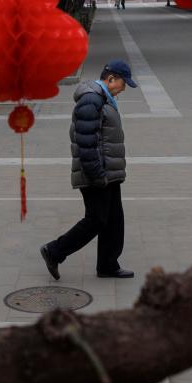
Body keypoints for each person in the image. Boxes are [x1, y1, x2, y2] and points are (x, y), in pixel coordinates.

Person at [40, 60, 136, 279]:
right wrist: (97, 174)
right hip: (96, 172)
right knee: (96, 219)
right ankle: (54, 251)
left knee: (114, 220)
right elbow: (85, 142)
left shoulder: (103, 99)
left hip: (108, 172)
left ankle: (108, 265)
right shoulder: (92, 100)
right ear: (110, 78)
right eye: (123, 83)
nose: (123, 88)